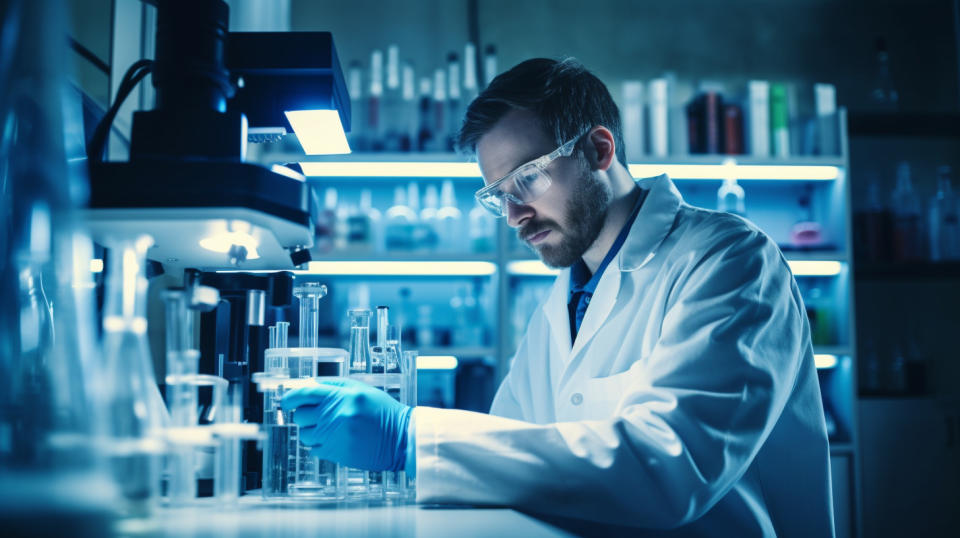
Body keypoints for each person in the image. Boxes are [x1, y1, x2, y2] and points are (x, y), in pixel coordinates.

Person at [282, 58, 835, 536]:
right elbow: (509, 460)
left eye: (527, 179)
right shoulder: (562, 302)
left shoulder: (729, 262)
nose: (514, 215)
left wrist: (411, 438)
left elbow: (671, 467)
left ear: (597, 148)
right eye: (497, 195)